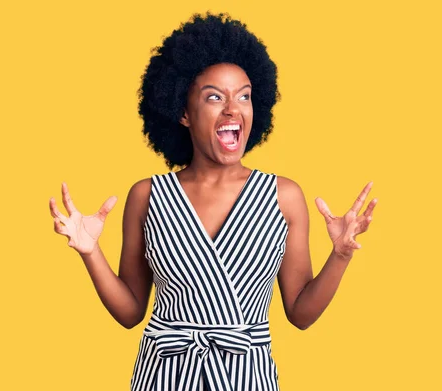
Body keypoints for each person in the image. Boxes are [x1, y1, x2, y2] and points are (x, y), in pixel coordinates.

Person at [49, 12, 377, 391]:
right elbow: (130, 312)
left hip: (247, 378)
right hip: (162, 377)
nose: (233, 109)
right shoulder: (147, 196)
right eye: (214, 97)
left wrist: (339, 256)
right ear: (184, 113)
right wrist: (91, 252)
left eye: (244, 96)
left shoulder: (283, 197)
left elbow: (301, 314)